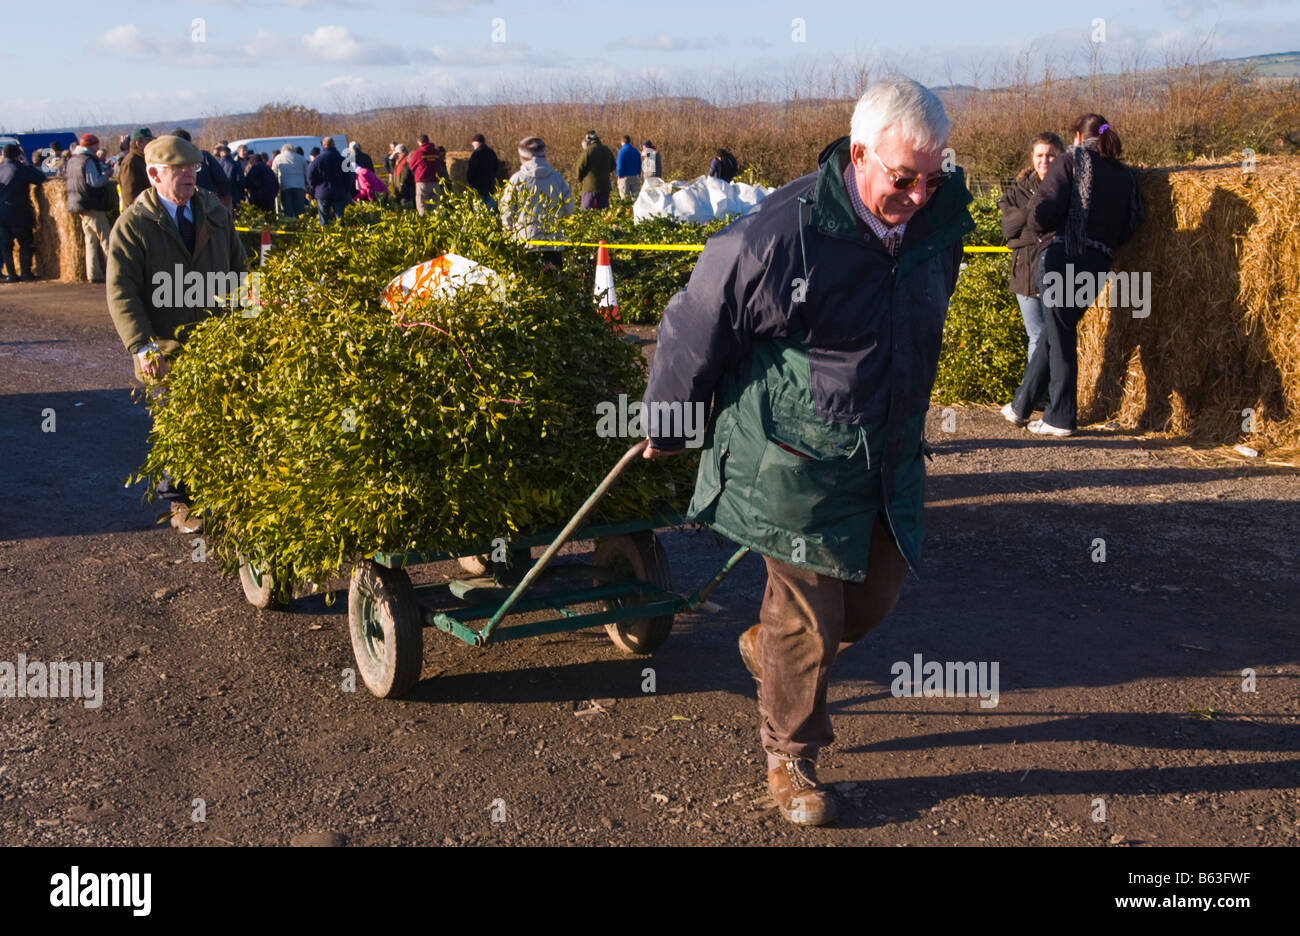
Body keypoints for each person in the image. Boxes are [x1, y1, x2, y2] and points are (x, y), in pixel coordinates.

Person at [642, 78, 973, 826]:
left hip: (886, 447)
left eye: (934, 175)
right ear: (859, 155)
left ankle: (769, 647)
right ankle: (790, 758)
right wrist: (669, 417)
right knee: (808, 605)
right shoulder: (779, 234)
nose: (921, 194)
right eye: (903, 179)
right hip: (794, 453)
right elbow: (696, 320)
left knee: (877, 592)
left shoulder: (939, 218)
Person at [106, 134, 246, 533]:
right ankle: (179, 502)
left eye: (194, 169)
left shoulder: (215, 213)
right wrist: (142, 345)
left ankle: (219, 492)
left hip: (218, 342)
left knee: (222, 420)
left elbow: (239, 269)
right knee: (178, 426)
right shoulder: (133, 226)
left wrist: (255, 313)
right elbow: (122, 292)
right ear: (153, 174)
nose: (189, 177)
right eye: (179, 170)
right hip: (167, 347)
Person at [1002, 114, 1143, 437]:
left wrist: (1041, 225)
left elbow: (1042, 212)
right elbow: (1134, 222)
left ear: (1078, 136)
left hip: (1063, 256)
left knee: (1060, 335)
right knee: (1057, 329)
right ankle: (1021, 405)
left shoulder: (1070, 161)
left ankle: (1061, 416)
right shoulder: (1124, 176)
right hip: (1097, 263)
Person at [998, 132, 1064, 366]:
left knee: (1057, 338)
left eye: (1050, 155)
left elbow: (1061, 230)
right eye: (1039, 155)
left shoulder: (1068, 188)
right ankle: (1035, 396)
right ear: (1032, 157)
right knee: (1036, 337)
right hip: (1025, 275)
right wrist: (1034, 209)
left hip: (1059, 274)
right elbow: (1008, 230)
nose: (1044, 161)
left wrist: (1022, 231)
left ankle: (1051, 394)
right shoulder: (1017, 192)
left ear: (1060, 157)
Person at [500, 136, 573, 270]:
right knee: (555, 284)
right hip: (553, 241)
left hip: (525, 242)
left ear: (522, 156)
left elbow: (507, 211)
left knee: (530, 285)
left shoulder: (517, 179)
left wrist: (508, 233)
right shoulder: (557, 178)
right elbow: (569, 208)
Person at [64, 134, 116, 283]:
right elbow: (94, 182)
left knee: (90, 240)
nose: (97, 148)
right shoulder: (88, 160)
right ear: (91, 146)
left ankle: (93, 273)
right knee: (106, 238)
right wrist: (107, 175)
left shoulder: (73, 160)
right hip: (92, 204)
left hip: (78, 203)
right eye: (96, 145)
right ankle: (113, 272)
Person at [0, 144, 47, 282]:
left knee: (6, 246)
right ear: (17, 155)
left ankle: (11, 274)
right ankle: (26, 273)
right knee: (25, 243)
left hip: (2, 214)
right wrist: (27, 164)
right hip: (19, 213)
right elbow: (40, 178)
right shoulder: (20, 168)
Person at [171, 129, 230, 209]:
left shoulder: (169, 162)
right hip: (206, 204)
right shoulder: (203, 156)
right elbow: (223, 182)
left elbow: (222, 181)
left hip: (185, 207)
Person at [308, 136, 353, 225]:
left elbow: (310, 175)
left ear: (323, 145)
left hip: (322, 193)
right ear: (334, 145)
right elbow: (349, 176)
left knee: (323, 220)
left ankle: (325, 237)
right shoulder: (342, 159)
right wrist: (346, 189)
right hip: (339, 192)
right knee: (340, 218)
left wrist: (314, 188)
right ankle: (342, 236)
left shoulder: (317, 160)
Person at [573, 130, 615, 210]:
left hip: (590, 187)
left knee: (586, 212)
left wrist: (580, 179)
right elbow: (613, 166)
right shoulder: (607, 150)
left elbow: (579, 168)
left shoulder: (588, 151)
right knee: (604, 213)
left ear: (588, 140)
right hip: (605, 186)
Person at [409, 134, 448, 215]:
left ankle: (424, 224)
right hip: (435, 182)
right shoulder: (436, 152)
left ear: (419, 142)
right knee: (435, 206)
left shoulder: (418, 152)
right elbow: (441, 164)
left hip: (422, 182)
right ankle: (435, 222)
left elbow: (411, 165)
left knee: (422, 205)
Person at [118, 128, 154, 210]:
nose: (152, 144)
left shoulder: (142, 159)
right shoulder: (130, 162)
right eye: (148, 141)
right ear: (139, 143)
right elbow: (130, 195)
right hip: (138, 214)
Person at [272, 143, 310, 218]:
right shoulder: (301, 158)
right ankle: (300, 226)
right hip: (300, 186)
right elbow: (307, 173)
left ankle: (289, 225)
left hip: (285, 186)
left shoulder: (278, 158)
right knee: (299, 210)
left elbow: (274, 172)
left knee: (288, 209)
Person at [466, 133, 499, 208]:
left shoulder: (476, 154)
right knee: (491, 210)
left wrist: (470, 182)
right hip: (490, 185)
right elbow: (496, 167)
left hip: (478, 187)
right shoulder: (491, 152)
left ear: (476, 142)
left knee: (479, 209)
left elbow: (471, 170)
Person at [615, 135, 642, 200]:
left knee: (625, 198)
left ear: (622, 142)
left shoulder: (621, 151)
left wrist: (619, 175)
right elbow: (639, 164)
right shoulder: (636, 151)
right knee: (636, 198)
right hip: (635, 176)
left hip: (624, 177)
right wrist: (638, 173)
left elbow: (619, 165)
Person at [390, 144, 415, 210]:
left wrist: (401, 185)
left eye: (398, 154)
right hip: (399, 192)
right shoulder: (398, 162)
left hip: (405, 193)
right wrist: (392, 157)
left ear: (402, 153)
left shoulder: (406, 162)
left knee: (406, 210)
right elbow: (391, 165)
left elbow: (405, 176)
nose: (396, 156)